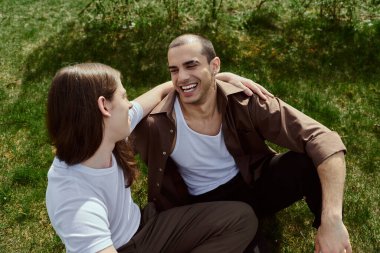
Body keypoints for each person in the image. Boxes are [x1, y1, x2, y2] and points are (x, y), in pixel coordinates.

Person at [132, 34, 352, 253]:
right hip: (206, 206)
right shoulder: (156, 123)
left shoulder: (244, 100)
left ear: (214, 65)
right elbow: (111, 130)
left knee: (307, 162)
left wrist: (332, 220)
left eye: (191, 65)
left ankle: (331, 240)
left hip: (252, 180)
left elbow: (324, 140)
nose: (182, 77)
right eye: (174, 70)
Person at [45, 63, 262, 253]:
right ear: (104, 107)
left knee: (242, 219)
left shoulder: (102, 135)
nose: (130, 104)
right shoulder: (73, 198)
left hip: (147, 225)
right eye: (124, 96)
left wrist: (217, 79)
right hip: (124, 247)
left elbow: (159, 92)